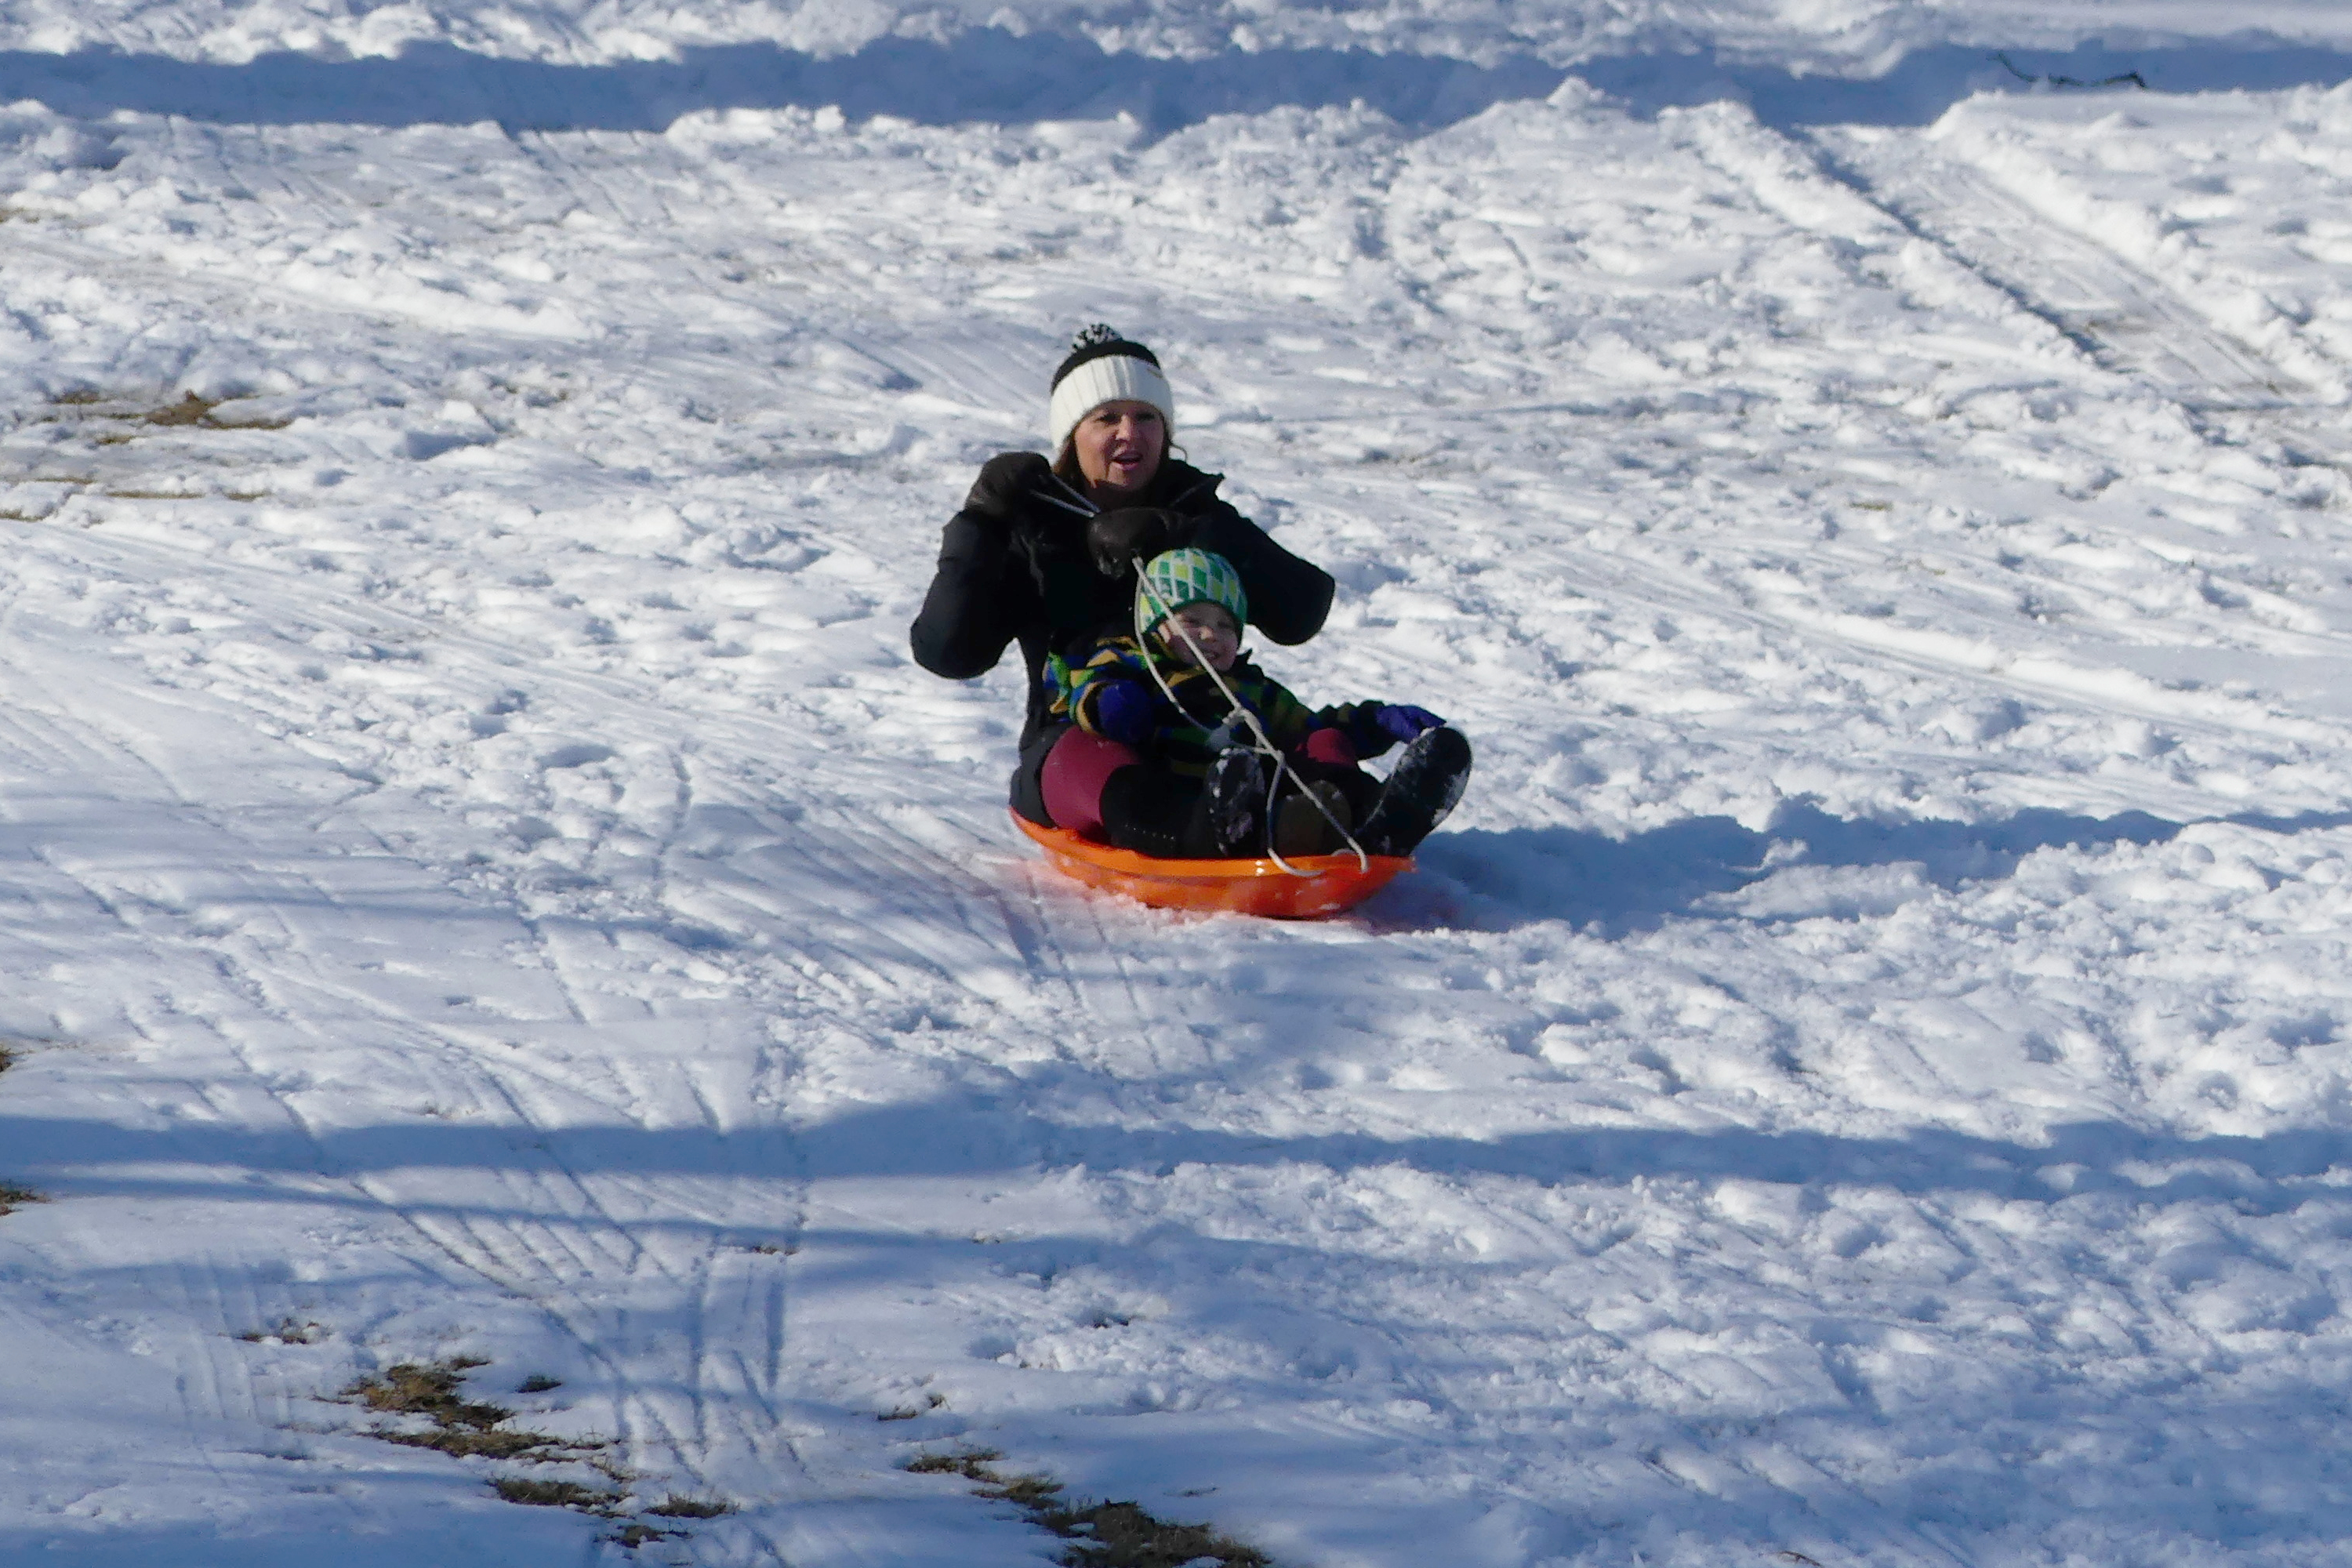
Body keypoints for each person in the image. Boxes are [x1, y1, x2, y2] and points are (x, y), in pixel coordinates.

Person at [909, 324, 1339, 842]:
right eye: (1107, 418)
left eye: (1146, 417)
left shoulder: (1192, 509)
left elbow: (1302, 613)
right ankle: (1197, 832)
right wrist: (979, 524)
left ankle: (1360, 815)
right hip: (1080, 752)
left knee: (1303, 741)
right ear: (1072, 435)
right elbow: (948, 652)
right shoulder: (1037, 529)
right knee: (1089, 758)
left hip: (1208, 739)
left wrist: (1188, 531)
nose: (1130, 434)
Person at [1055, 546, 1472, 859]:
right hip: (1167, 804)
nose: (1210, 635)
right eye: (1192, 621)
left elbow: (1308, 727)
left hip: (1250, 805)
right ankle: (1210, 833)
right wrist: (1111, 702)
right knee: (1089, 749)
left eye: (1225, 625)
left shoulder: (1252, 690)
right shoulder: (1132, 661)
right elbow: (1085, 689)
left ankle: (1372, 821)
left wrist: (1374, 722)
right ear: (1154, 625)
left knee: (1323, 743)